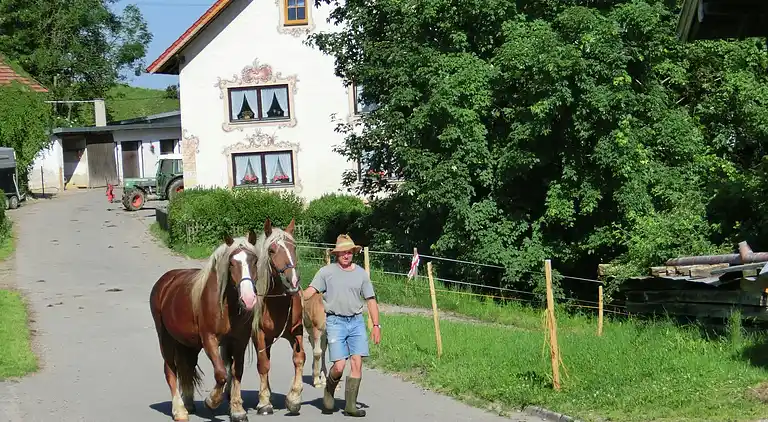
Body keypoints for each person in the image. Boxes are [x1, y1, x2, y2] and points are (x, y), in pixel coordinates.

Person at [302, 234, 381, 417]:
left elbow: (370, 300)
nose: (346, 255)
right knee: (339, 365)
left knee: (357, 362)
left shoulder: (361, 274)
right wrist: (293, 291)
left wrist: (376, 325)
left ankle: (350, 406)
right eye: (343, 252)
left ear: (353, 253)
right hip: (335, 321)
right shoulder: (326, 272)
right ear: (337, 254)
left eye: (349, 252)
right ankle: (329, 391)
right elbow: (308, 293)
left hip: (356, 321)